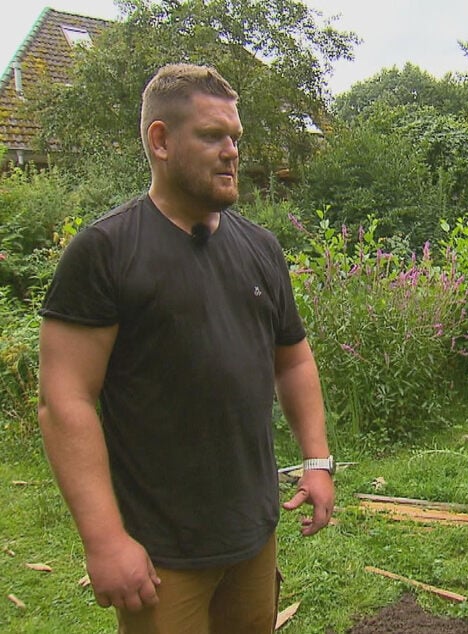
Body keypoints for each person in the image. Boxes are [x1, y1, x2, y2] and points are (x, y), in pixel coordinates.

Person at [36, 63, 335, 633]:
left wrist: (317, 461)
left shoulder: (260, 248)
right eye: (211, 136)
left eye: (235, 138)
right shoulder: (106, 251)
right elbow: (64, 400)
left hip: (252, 532)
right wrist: (104, 542)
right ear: (161, 141)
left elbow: (292, 357)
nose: (231, 151)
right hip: (161, 552)